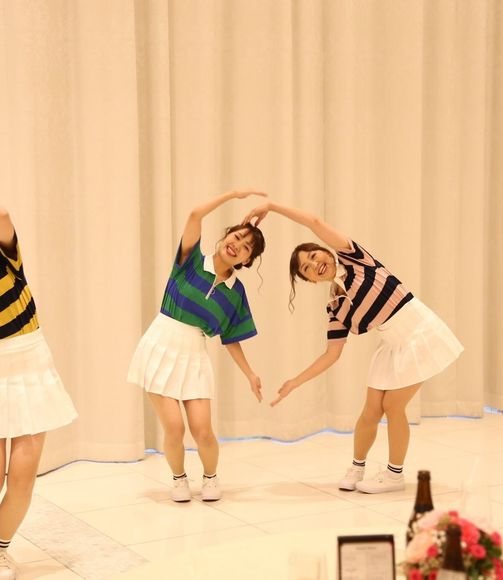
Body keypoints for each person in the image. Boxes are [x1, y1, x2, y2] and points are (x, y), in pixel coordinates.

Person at [243, 200, 463, 494]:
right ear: (310, 280)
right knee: (371, 410)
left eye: (314, 255)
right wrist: (295, 382)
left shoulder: (355, 259)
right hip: (392, 344)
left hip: (419, 331)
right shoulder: (336, 306)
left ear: (325, 251)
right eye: (307, 269)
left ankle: (394, 476)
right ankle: (357, 467)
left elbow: (314, 222)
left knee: (393, 406)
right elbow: (331, 354)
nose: (314, 264)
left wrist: (272, 206)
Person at [128, 190, 266, 503]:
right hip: (160, 345)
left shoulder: (235, 292)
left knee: (203, 430)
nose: (237, 245)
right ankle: (179, 479)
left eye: (246, 247)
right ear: (226, 235)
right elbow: (194, 215)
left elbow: (231, 336)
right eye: (237, 236)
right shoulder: (190, 261)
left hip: (194, 355)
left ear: (246, 260)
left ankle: (210, 477)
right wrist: (233, 195)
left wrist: (250, 373)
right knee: (174, 428)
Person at [0, 209, 77, 580]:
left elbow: (2, 214)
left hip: (28, 360)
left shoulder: (6, 253)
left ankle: (0, 548)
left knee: (22, 477)